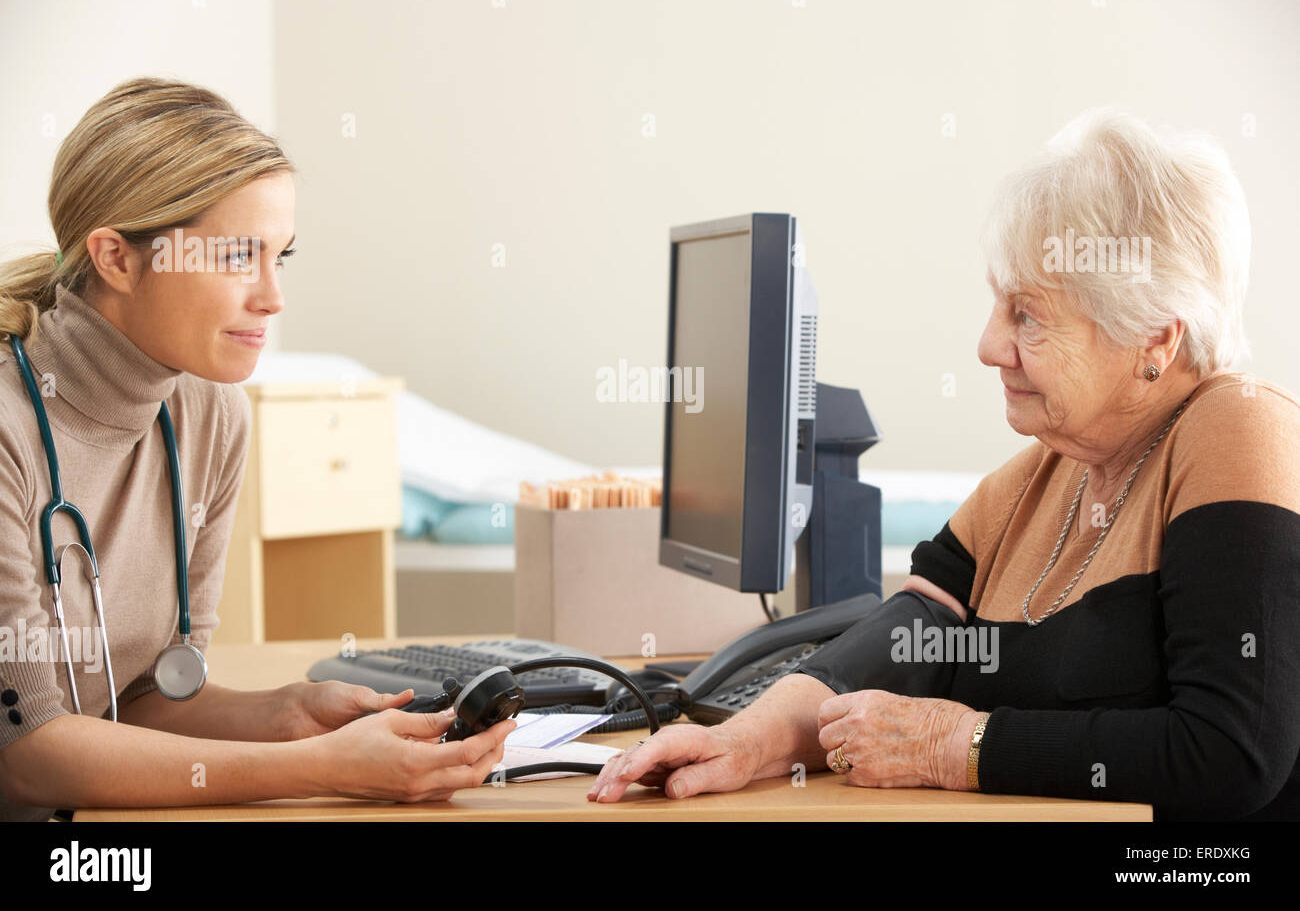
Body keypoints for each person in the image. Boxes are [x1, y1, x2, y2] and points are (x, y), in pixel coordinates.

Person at [587, 107, 1300, 821]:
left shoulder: (1239, 425)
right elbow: (911, 638)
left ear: (1153, 338)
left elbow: (1233, 753)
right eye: (999, 302)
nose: (990, 345)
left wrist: (959, 746)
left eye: (1028, 315)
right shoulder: (1037, 477)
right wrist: (749, 739)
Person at [0, 78, 514, 822]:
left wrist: (288, 717)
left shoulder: (210, 415)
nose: (273, 297)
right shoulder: (11, 428)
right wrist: (317, 768)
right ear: (115, 259)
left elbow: (143, 701)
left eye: (282, 257)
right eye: (240, 256)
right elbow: (26, 756)